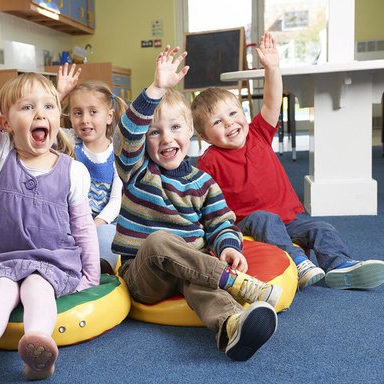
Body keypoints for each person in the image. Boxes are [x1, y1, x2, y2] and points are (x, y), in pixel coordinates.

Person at [0, 2, 100, 382]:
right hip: (0, 256)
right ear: (4, 123)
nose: (39, 114)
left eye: (48, 106)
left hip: (49, 261)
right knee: (0, 290)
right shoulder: (0, 153)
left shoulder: (73, 171)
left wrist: (90, 275)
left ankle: (38, 349)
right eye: (27, 107)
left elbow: (82, 227)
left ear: (57, 118)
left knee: (38, 290)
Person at [114, 44, 282, 361]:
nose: (166, 139)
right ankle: (235, 283)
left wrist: (228, 247)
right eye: (155, 133)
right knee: (160, 240)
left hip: (191, 267)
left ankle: (232, 327)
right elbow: (130, 131)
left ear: (191, 131)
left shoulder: (203, 182)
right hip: (144, 276)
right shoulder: (137, 172)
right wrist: (156, 89)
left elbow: (220, 223)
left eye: (176, 127)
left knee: (200, 284)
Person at [193, 32, 384, 290]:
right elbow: (201, 199)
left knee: (322, 228)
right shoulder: (209, 160)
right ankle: (297, 262)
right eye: (217, 122)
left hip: (291, 217)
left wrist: (272, 68)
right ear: (204, 136)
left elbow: (272, 102)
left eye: (233, 113)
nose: (229, 123)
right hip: (249, 221)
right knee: (265, 219)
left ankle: (341, 265)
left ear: (243, 113)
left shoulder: (259, 133)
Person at [56, 67, 128, 273]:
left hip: (102, 223)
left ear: (108, 116)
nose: (85, 119)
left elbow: (116, 200)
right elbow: (44, 120)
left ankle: (99, 270)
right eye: (78, 113)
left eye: (93, 112)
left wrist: (95, 224)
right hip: (71, 221)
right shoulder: (68, 142)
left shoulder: (118, 153)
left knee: (107, 237)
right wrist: (59, 94)